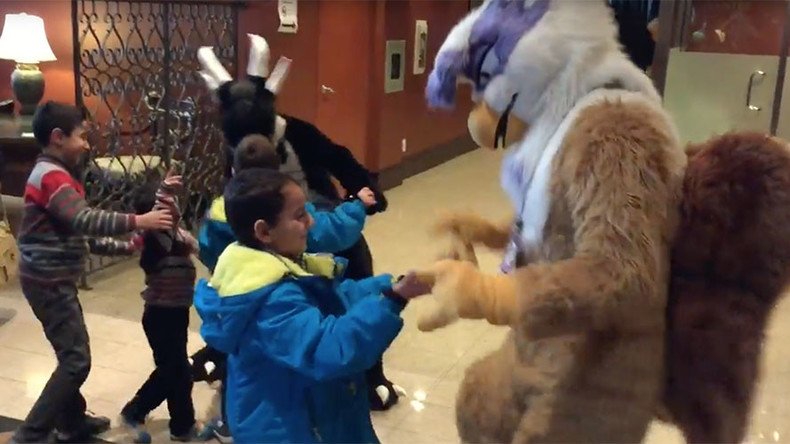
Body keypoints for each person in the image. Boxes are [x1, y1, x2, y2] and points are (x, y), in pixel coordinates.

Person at [194, 168, 429, 443]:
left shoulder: (275, 265)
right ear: (264, 231)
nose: (312, 223)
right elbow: (328, 350)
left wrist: (390, 287)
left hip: (311, 415)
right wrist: (393, 300)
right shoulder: (271, 302)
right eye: (299, 216)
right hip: (294, 429)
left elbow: (333, 298)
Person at [12, 101, 173, 443]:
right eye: (81, 136)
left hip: (50, 278)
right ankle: (30, 434)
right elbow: (84, 220)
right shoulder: (51, 176)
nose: (86, 144)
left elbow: (79, 235)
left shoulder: (57, 175)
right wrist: (139, 221)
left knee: (69, 354)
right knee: (75, 360)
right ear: (58, 137)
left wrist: (128, 246)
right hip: (48, 281)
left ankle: (70, 422)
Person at [120, 171, 209, 443]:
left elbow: (204, 251)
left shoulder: (179, 236)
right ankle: (181, 427)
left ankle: (137, 412)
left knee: (173, 369)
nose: (173, 214)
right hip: (159, 316)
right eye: (165, 210)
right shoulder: (153, 238)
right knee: (178, 371)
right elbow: (131, 243)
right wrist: (165, 193)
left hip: (177, 312)